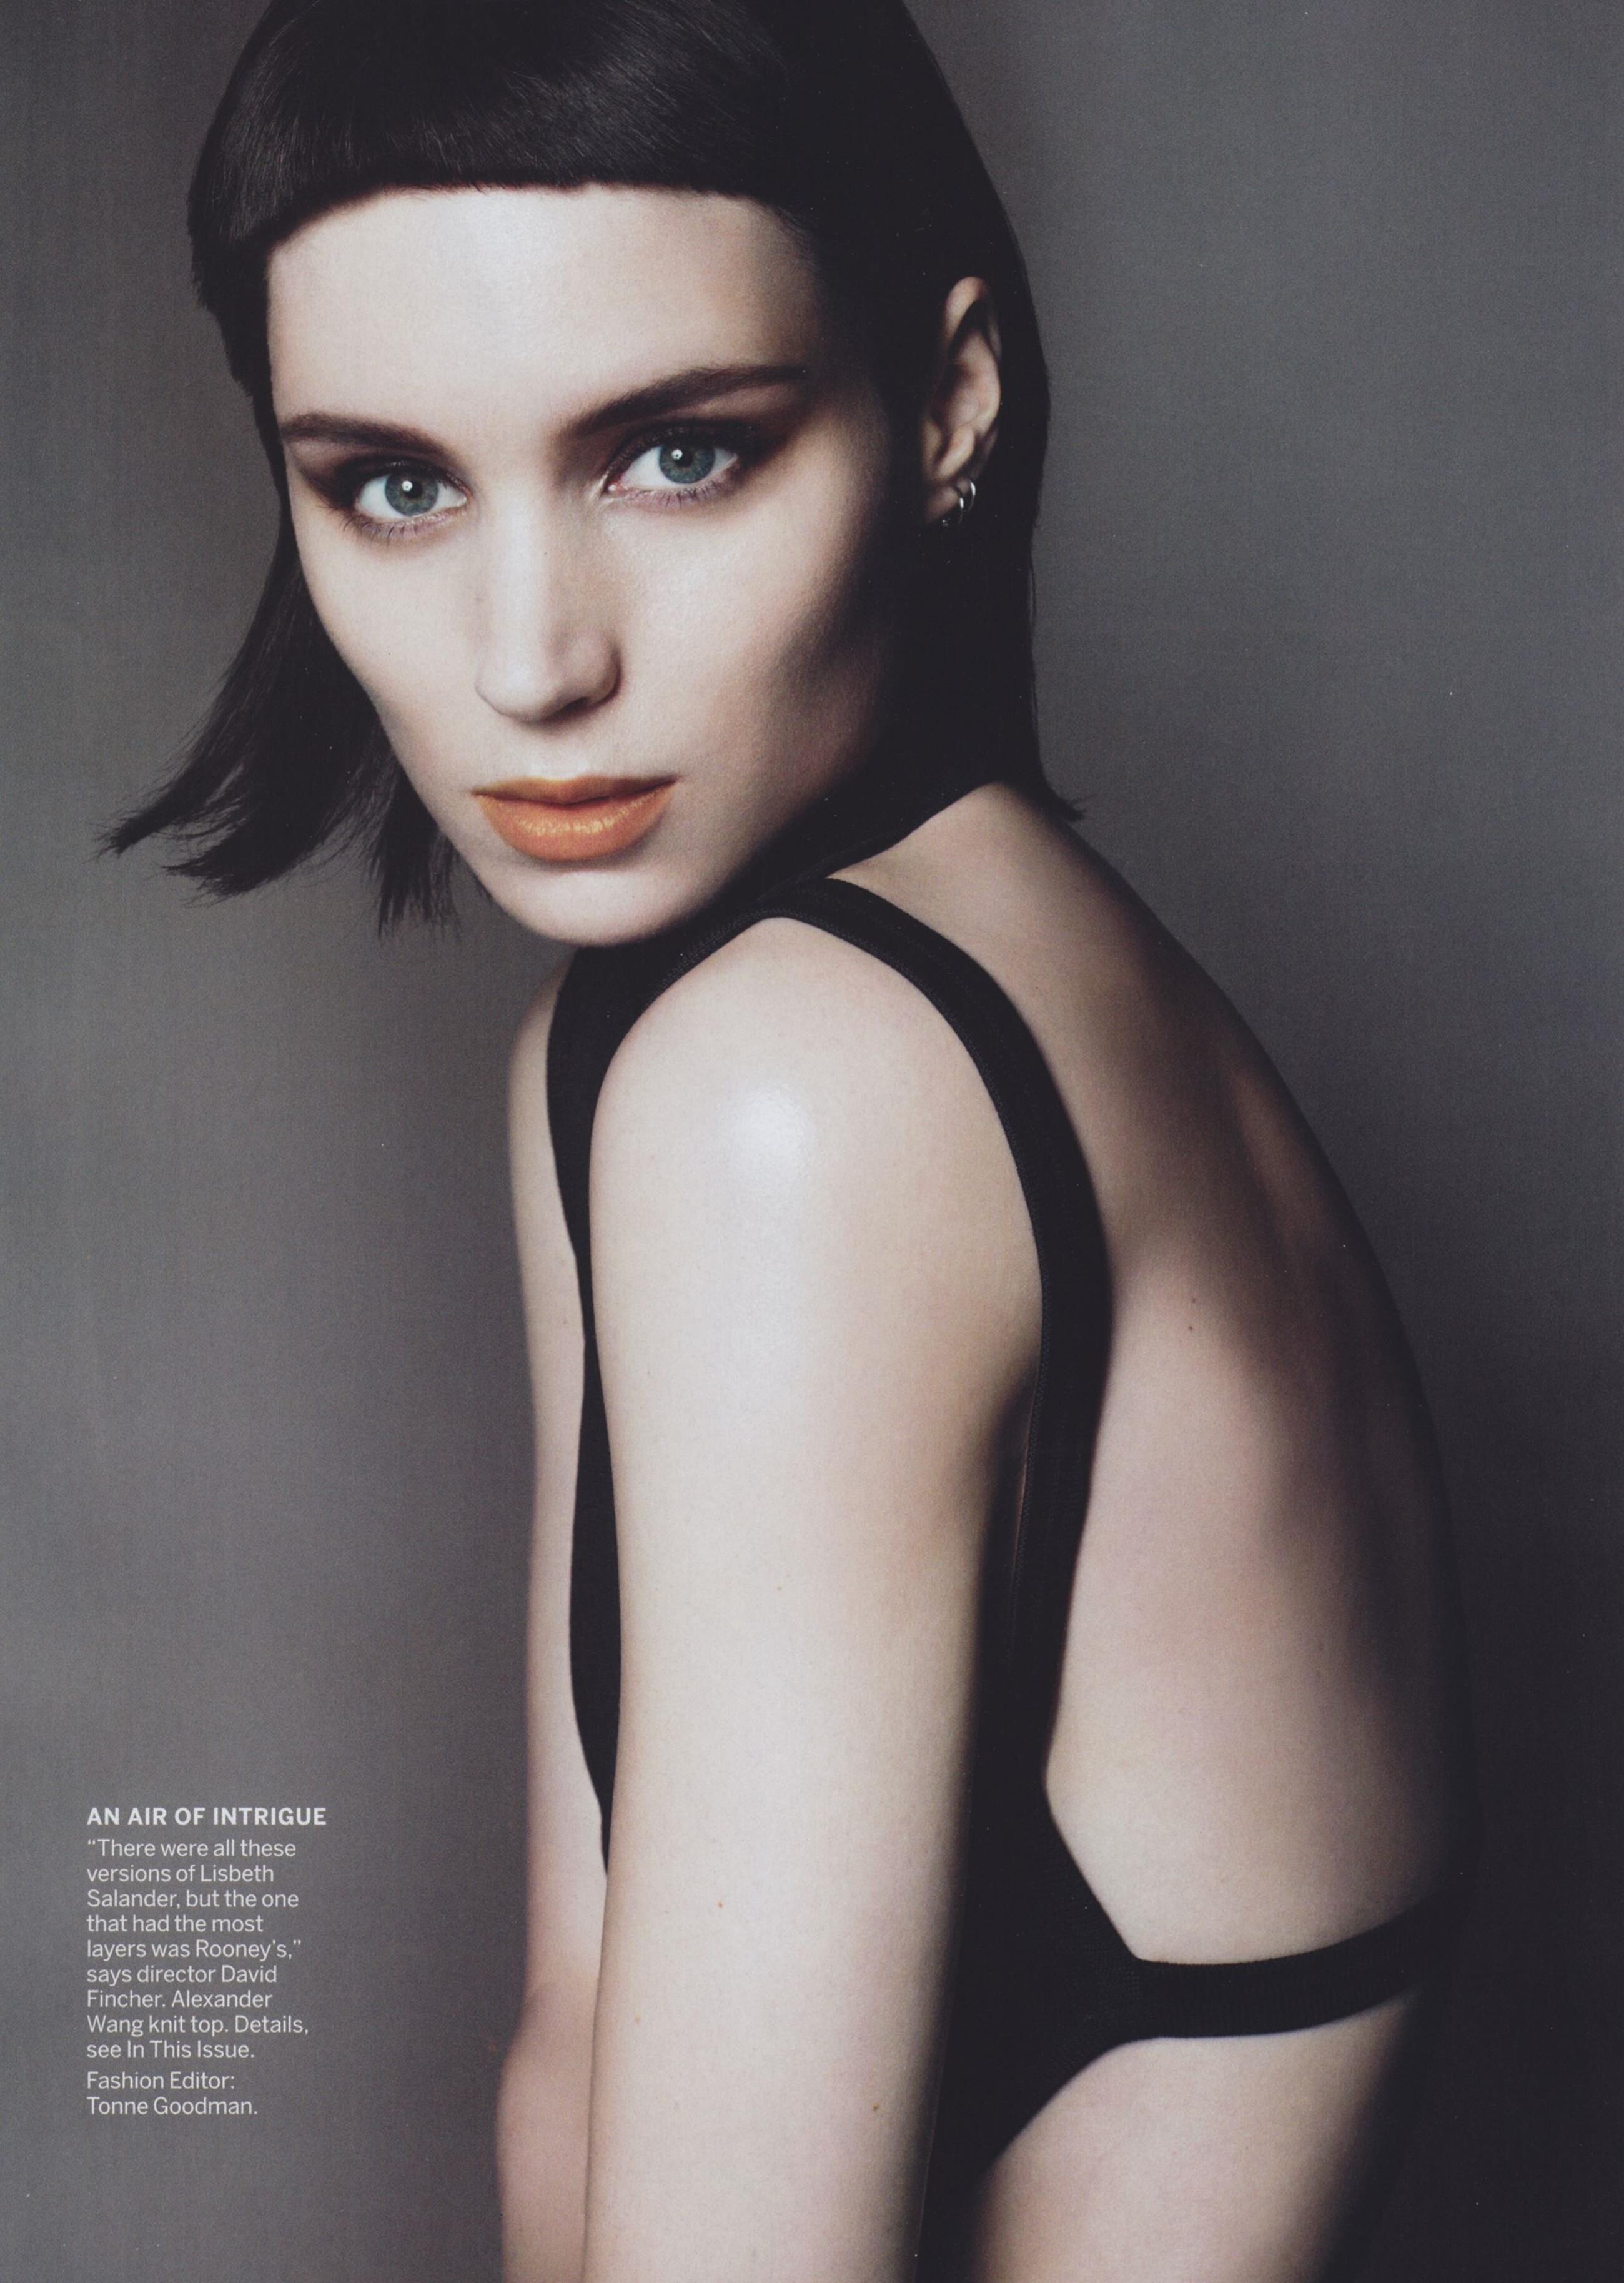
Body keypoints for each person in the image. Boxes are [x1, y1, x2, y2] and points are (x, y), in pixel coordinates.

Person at [113, 2, 1477, 2276]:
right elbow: (578, 2058)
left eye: (678, 454)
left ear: (947, 400)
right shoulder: (726, 1025)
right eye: (394, 485)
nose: (532, 661)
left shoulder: (805, 1090)